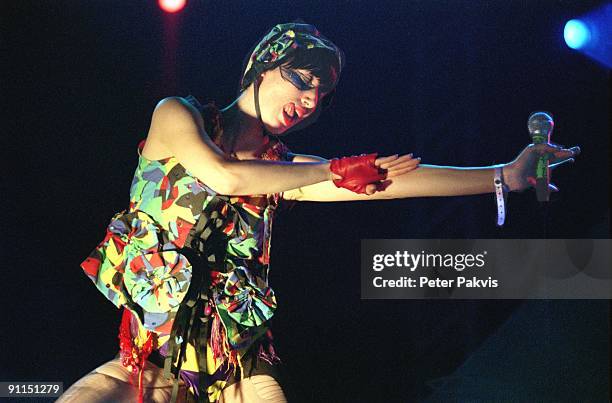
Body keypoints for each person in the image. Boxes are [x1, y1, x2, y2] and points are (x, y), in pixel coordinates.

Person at [57, 22, 579, 403]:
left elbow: (388, 183)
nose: (308, 101)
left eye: (320, 95)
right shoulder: (179, 117)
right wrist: (332, 170)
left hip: (238, 371)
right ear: (262, 67)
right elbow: (226, 176)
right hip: (148, 361)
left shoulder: (288, 170)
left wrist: (502, 176)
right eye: (300, 80)